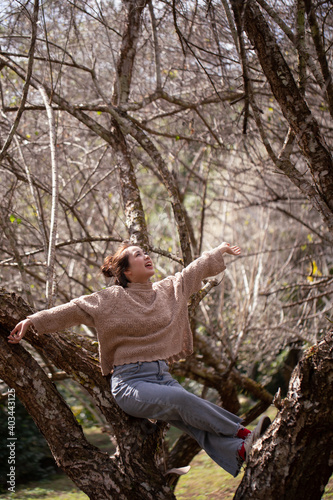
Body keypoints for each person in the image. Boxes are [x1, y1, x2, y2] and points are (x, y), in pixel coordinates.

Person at [8, 240, 270, 477]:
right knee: (182, 400)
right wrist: (32, 321)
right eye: (137, 254)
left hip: (163, 377)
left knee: (191, 419)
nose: (146, 256)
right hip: (130, 383)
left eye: (145, 252)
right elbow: (73, 310)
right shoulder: (110, 299)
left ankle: (240, 451)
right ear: (127, 272)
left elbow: (191, 273)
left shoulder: (166, 290)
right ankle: (244, 433)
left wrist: (218, 251)